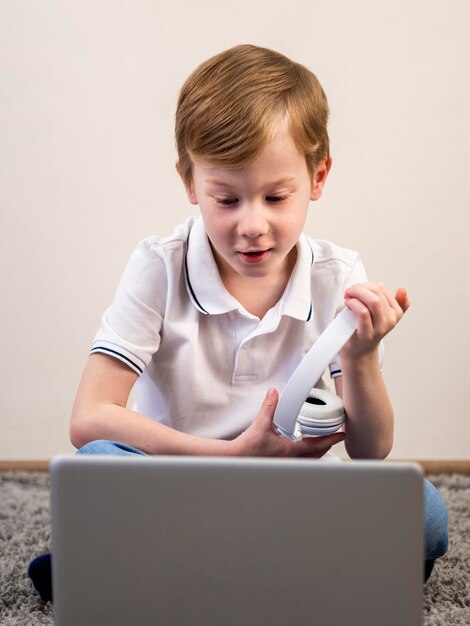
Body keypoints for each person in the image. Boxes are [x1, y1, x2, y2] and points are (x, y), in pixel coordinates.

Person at [29, 44, 448, 602]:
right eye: (225, 199)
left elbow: (373, 451)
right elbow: (89, 419)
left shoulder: (337, 274)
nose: (252, 225)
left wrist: (362, 357)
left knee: (425, 511)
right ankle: (270, 566)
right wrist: (231, 457)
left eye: (276, 196)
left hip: (287, 488)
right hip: (175, 477)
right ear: (190, 184)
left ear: (318, 176)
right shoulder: (159, 265)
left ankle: (164, 562)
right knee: (97, 467)